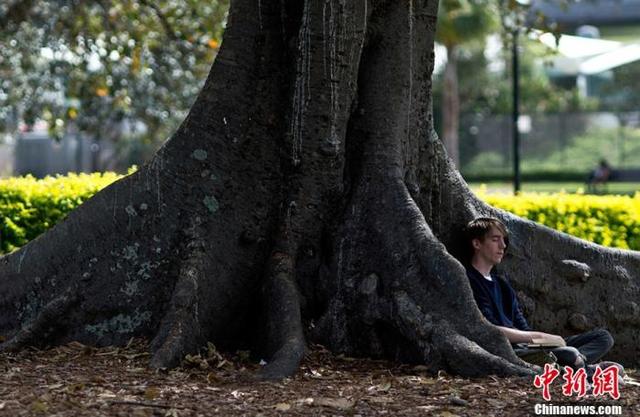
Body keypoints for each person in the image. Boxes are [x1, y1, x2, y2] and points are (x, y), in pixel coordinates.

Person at [463, 217, 615, 371]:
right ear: (477, 244)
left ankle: (579, 364)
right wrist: (540, 338)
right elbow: (489, 328)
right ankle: (585, 368)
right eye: (495, 240)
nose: (503, 246)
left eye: (503, 240)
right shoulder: (469, 280)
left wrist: (543, 340)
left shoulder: (502, 283)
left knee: (603, 337)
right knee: (568, 353)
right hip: (509, 348)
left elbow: (521, 324)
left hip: (528, 344)